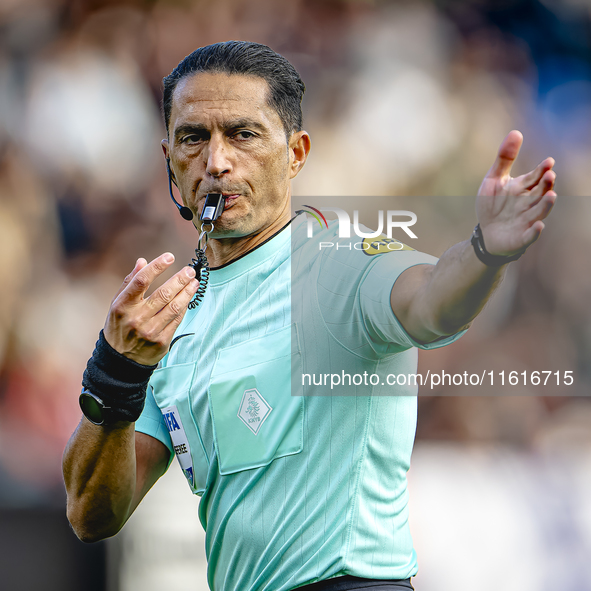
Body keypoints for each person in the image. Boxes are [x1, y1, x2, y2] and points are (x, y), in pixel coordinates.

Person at [62, 41, 557, 591]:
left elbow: (432, 301)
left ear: (296, 153)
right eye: (194, 137)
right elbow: (92, 514)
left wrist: (487, 249)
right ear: (169, 160)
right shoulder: (170, 322)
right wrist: (117, 370)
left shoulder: (342, 262)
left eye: (244, 134)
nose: (217, 160)